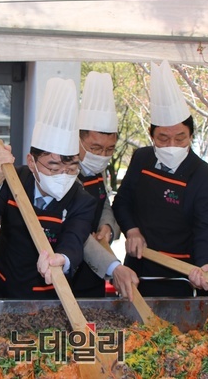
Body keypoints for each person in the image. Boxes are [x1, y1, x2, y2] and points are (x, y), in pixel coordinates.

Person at [0, 77, 96, 299]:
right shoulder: (14, 178)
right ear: (31, 161)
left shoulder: (82, 200)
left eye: (72, 167)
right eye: (53, 166)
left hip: (45, 295)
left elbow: (74, 240)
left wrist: (62, 259)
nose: (63, 175)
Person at [112, 60, 208, 296]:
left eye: (180, 138)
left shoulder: (204, 176)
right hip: (138, 267)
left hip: (182, 273)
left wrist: (206, 265)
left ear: (191, 135)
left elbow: (206, 227)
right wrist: (131, 231)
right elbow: (122, 202)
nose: (171, 145)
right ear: (151, 136)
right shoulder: (141, 159)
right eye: (162, 138)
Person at [70, 71, 138, 299]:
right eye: (96, 148)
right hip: (65, 273)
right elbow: (74, 230)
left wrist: (108, 227)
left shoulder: (96, 170)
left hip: (93, 275)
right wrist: (114, 267)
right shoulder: (61, 175)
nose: (102, 156)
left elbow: (103, 202)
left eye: (109, 149)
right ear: (77, 139)